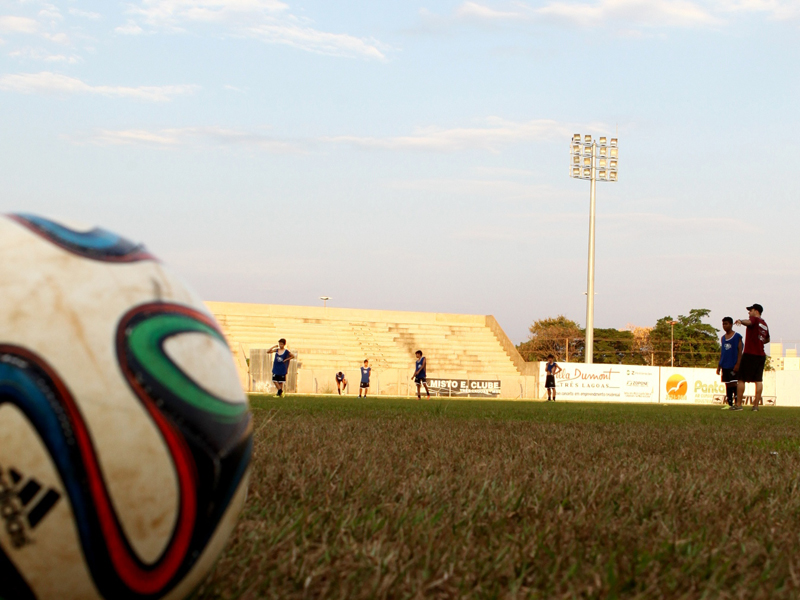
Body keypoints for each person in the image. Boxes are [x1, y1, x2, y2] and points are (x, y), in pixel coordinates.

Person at [733, 303, 770, 411]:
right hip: (761, 355)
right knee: (758, 380)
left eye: (751, 310)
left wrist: (740, 320)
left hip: (750, 354)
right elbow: (767, 339)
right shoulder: (764, 324)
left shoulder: (755, 320)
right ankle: (756, 406)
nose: (749, 313)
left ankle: (739, 405)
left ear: (756, 311)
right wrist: (760, 341)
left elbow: (749, 322)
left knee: (741, 379)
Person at [716, 317, 743, 410]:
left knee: (734, 384)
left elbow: (740, 351)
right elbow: (722, 352)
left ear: (731, 325)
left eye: (726, 324)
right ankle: (729, 403)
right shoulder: (723, 338)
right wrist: (719, 365)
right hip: (725, 365)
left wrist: (738, 364)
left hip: (733, 364)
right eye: (723, 324)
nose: (724, 326)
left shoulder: (737, 336)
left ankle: (737, 403)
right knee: (727, 384)